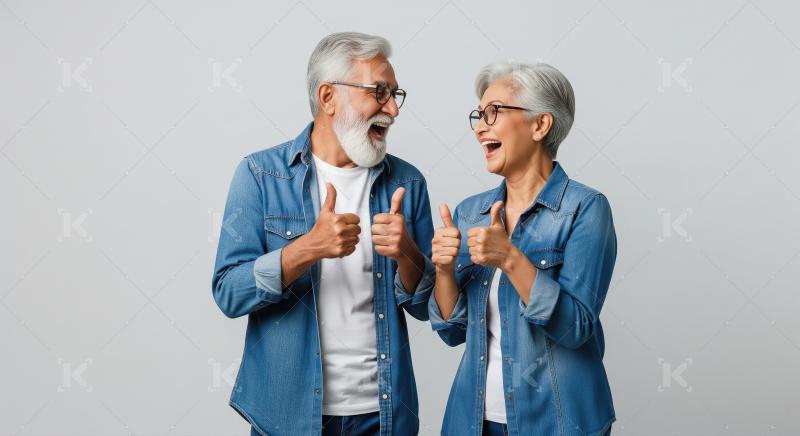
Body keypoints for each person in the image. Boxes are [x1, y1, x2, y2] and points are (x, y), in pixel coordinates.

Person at [212, 32, 435, 436]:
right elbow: (229, 293)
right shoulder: (260, 176)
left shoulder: (408, 182)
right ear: (328, 97)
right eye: (379, 92)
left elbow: (428, 307)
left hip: (384, 416)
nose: (393, 110)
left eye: (395, 94)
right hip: (288, 418)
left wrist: (407, 254)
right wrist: (305, 249)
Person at [429, 62, 617, 436]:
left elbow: (576, 327)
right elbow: (452, 330)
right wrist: (444, 270)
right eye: (478, 115)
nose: (481, 126)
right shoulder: (471, 212)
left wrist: (511, 258)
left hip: (559, 422)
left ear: (540, 125)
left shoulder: (586, 209)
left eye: (494, 112)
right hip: (473, 421)